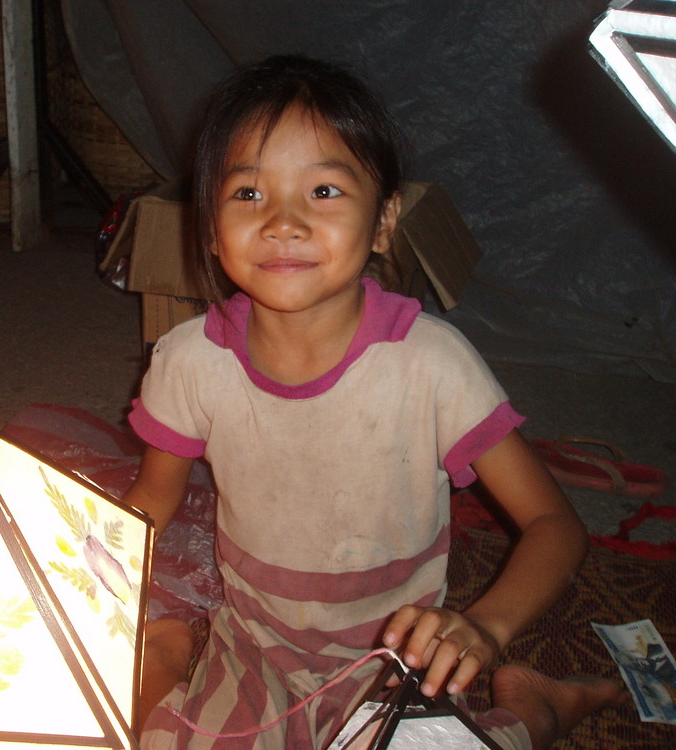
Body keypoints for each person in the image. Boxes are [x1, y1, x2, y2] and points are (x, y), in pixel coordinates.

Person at [123, 55, 626, 750]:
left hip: (393, 660)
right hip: (255, 647)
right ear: (209, 228)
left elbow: (554, 524)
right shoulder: (188, 361)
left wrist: (485, 626)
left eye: (324, 190)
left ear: (385, 220)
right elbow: (148, 504)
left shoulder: (431, 365)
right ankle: (163, 655)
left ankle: (536, 708)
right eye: (247, 195)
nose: (283, 221)